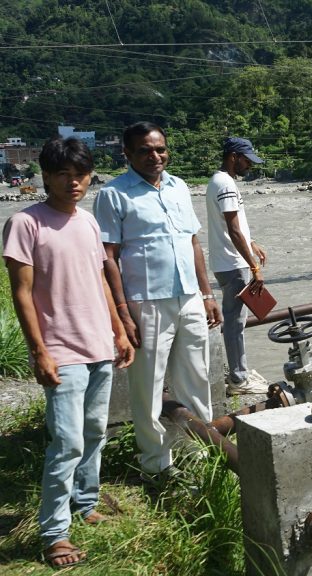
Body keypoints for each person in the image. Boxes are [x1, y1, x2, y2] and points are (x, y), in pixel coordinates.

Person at [3, 137, 134, 568]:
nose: (73, 182)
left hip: (98, 343)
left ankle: (85, 500)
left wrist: (118, 331)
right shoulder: (26, 223)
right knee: (67, 442)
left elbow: (97, 280)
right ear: (46, 176)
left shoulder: (88, 222)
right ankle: (54, 533)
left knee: (95, 431)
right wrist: (38, 351)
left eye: (80, 174)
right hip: (61, 351)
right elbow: (21, 294)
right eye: (63, 174)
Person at [93, 121, 222, 487]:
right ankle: (155, 464)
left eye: (160, 149)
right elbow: (108, 258)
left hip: (190, 297)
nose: (155, 156)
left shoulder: (179, 186)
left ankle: (198, 455)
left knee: (197, 377)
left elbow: (193, 243)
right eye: (145, 151)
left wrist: (208, 293)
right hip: (145, 302)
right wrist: (121, 315)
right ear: (128, 154)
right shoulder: (114, 195)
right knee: (147, 386)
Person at [206, 137, 268, 396]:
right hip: (234, 264)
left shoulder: (218, 181)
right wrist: (254, 268)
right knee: (235, 322)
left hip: (227, 261)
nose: (249, 166)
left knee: (236, 320)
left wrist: (251, 241)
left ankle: (238, 369)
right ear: (233, 156)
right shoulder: (226, 184)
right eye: (246, 161)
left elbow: (232, 224)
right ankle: (239, 379)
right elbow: (232, 229)